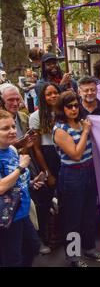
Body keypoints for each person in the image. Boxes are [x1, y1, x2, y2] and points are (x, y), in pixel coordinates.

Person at [53, 91, 100, 267]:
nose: (74, 109)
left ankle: (89, 249)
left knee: (89, 215)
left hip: (89, 172)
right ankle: (74, 256)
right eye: (69, 106)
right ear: (62, 108)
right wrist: (85, 132)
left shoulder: (82, 122)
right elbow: (76, 154)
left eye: (76, 105)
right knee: (72, 218)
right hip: (72, 175)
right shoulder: (60, 129)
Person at [0, 110, 44, 266]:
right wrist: (21, 167)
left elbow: (14, 180)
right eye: (5, 128)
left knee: (33, 247)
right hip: (7, 218)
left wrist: (31, 183)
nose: (12, 130)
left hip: (21, 212)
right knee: (12, 259)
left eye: (13, 126)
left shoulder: (11, 149)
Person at [29, 83, 61, 254]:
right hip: (47, 159)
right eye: (49, 94)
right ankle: (43, 238)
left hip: (64, 155)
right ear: (43, 97)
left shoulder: (64, 111)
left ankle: (61, 235)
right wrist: (47, 172)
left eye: (56, 92)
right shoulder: (36, 116)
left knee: (66, 199)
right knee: (45, 202)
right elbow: (37, 149)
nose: (53, 96)